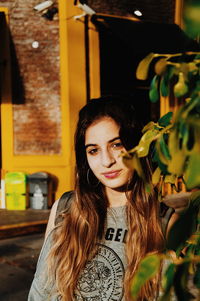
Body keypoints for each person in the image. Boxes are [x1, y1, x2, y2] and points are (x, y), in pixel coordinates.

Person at [28, 96, 190, 301]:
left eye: (116, 145)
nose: (106, 161)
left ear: (137, 146)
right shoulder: (67, 208)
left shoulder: (163, 223)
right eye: (93, 150)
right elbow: (40, 293)